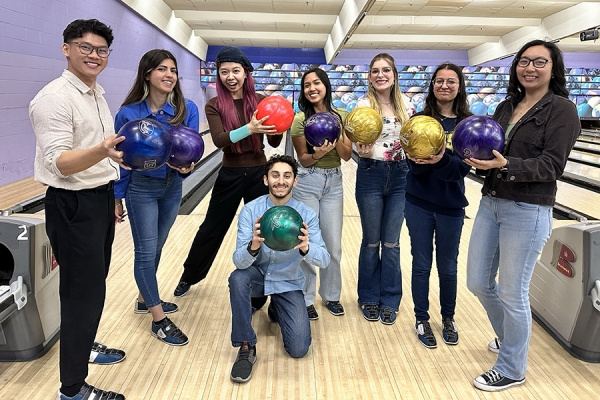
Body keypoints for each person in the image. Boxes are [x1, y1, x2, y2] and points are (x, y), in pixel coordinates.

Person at [465, 40, 580, 391]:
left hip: (528, 209)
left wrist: (506, 164)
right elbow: (491, 149)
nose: (530, 67)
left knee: (513, 291)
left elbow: (551, 165)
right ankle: (509, 337)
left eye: (539, 62)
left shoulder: (562, 110)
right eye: (524, 61)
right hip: (493, 201)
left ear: (552, 68)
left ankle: (513, 367)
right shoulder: (507, 105)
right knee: (478, 282)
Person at [29, 19, 126, 400]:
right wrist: (102, 152)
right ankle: (71, 389)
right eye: (85, 47)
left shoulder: (95, 93)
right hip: (71, 204)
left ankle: (85, 346)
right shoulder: (53, 98)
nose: (94, 56)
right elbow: (61, 164)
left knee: (93, 285)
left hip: (98, 198)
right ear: (66, 48)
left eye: (101, 50)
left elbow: (98, 152)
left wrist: (112, 183)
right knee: (79, 294)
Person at [175, 47, 282, 307]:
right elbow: (221, 140)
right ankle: (190, 275)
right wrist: (250, 127)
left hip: (259, 173)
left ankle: (259, 291)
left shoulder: (259, 100)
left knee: (262, 230)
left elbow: (275, 140)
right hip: (230, 172)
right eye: (224, 72)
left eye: (235, 71)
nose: (230, 76)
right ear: (218, 75)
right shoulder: (214, 105)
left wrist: (279, 123)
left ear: (246, 73)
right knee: (212, 227)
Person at [113, 49, 199, 346]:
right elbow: (120, 161)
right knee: (146, 253)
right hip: (142, 190)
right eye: (162, 69)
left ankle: (143, 299)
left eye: (173, 70)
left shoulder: (186, 109)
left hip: (172, 187)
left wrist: (187, 169)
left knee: (158, 247)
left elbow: (191, 154)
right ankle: (159, 320)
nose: (169, 75)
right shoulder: (129, 113)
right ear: (147, 73)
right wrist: (117, 196)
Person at [228, 154, 330, 383]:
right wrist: (253, 247)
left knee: (299, 349)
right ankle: (246, 346)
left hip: (287, 281)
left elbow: (324, 260)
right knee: (237, 278)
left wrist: (306, 248)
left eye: (287, 176)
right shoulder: (251, 211)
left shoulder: (306, 215)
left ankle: (276, 307)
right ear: (266, 180)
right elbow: (238, 262)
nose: (280, 181)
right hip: (257, 277)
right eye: (275, 175)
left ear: (295, 181)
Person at [404, 63, 472, 347]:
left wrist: (439, 160)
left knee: (448, 266)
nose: (444, 86)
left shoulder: (467, 125)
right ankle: (421, 318)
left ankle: (448, 317)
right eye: (439, 81)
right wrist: (424, 162)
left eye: (451, 81)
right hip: (418, 201)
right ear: (432, 85)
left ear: (459, 86)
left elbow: (460, 170)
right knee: (421, 265)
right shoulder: (419, 120)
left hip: (451, 206)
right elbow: (414, 167)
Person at [353, 53, 415, 325]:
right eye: (375, 70)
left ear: (394, 75)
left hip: (401, 176)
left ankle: (390, 299)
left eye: (386, 70)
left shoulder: (407, 105)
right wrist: (361, 151)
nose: (381, 74)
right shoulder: (363, 104)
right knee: (371, 242)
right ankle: (368, 296)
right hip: (371, 173)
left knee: (391, 243)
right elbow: (354, 137)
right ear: (369, 76)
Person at [290, 67, 352, 320]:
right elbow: (303, 160)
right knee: (305, 241)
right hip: (307, 181)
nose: (312, 88)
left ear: (325, 85)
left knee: (332, 245)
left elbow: (347, 155)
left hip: (334, 184)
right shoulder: (299, 120)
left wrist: (334, 137)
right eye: (307, 85)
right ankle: (306, 298)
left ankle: (331, 296)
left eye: (317, 83)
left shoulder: (341, 116)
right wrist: (318, 153)